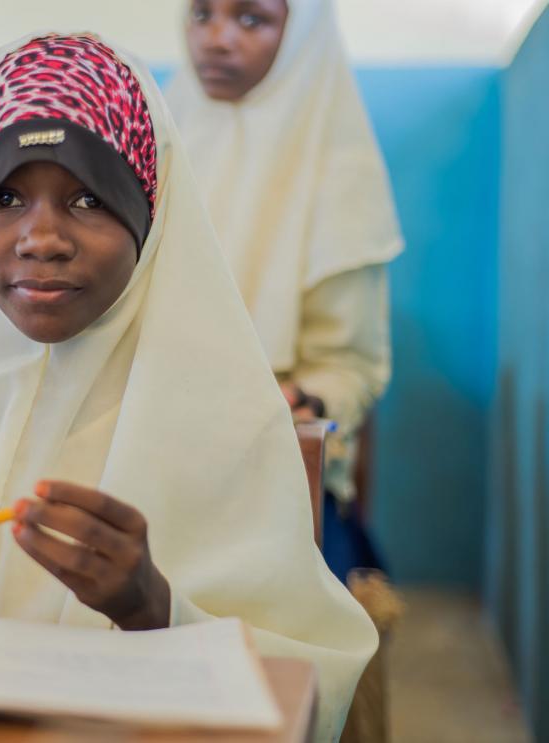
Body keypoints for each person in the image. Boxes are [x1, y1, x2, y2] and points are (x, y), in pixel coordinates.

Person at [0, 33, 376, 740]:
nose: (42, 237)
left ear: (150, 213)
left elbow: (312, 687)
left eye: (88, 197)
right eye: (4, 196)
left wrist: (158, 609)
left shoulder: (227, 424)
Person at [166, 0, 404, 580]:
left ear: (301, 36)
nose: (217, 39)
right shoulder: (159, 140)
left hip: (280, 471)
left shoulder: (341, 171)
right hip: (163, 447)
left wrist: (306, 400)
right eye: (202, 14)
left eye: (252, 20)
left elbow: (351, 368)